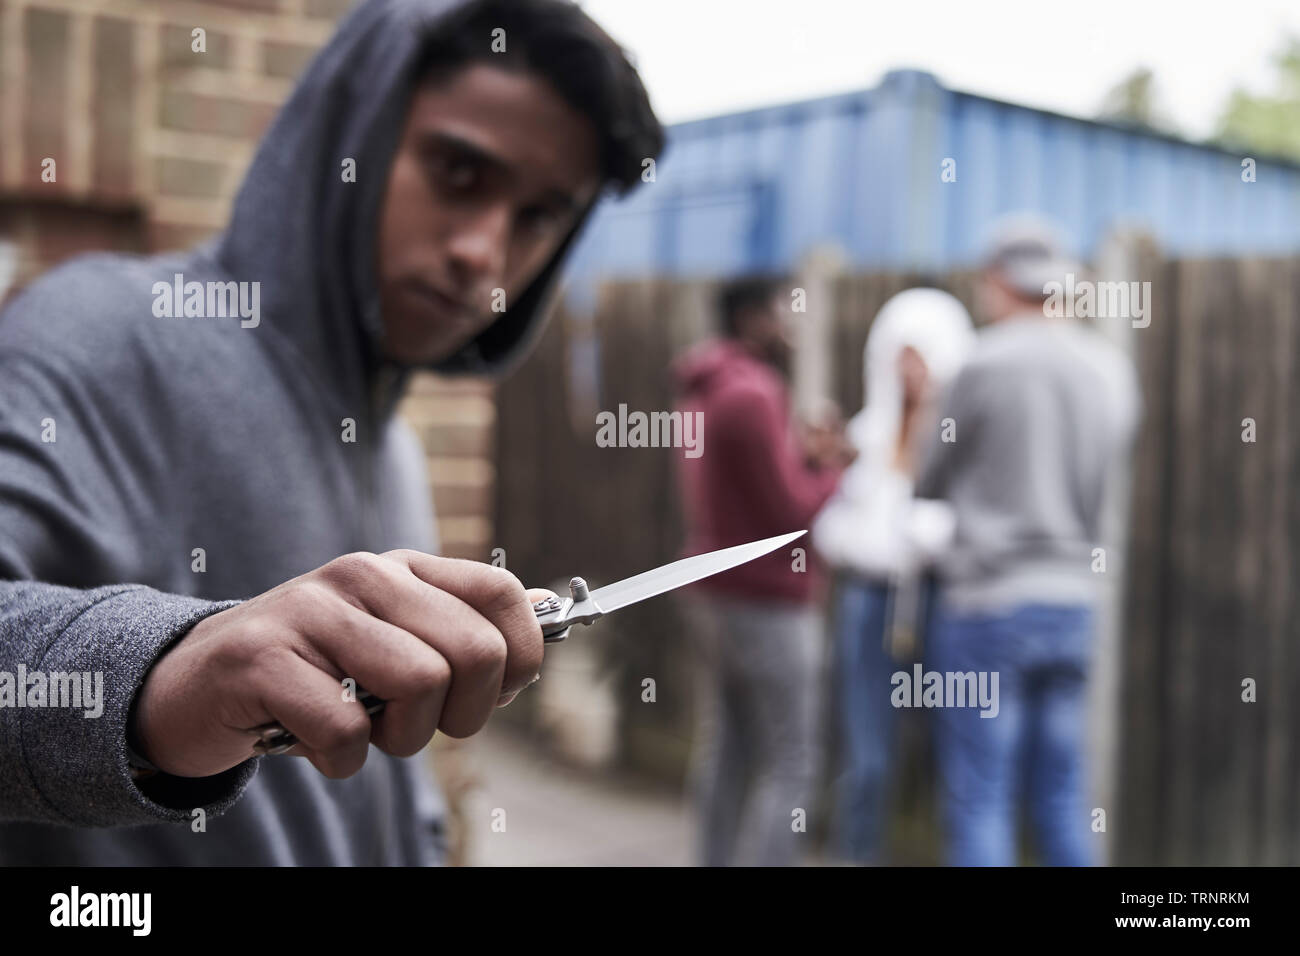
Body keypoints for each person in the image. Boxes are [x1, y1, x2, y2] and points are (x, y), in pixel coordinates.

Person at [0, 0, 662, 865]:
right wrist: (172, 674)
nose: (484, 252)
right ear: (352, 131)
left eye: (539, 215)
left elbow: (374, 790)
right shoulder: (96, 333)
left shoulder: (397, 455)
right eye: (460, 172)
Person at [914, 216, 1140, 866]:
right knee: (1062, 796)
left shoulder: (979, 364)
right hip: (1074, 604)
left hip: (987, 605)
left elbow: (928, 481)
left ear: (998, 280)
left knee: (982, 799)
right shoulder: (1111, 370)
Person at [673, 275, 847, 866]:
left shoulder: (705, 386)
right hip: (768, 598)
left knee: (728, 747)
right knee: (794, 758)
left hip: (714, 595)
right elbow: (792, 511)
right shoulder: (753, 393)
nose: (789, 321)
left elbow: (747, 489)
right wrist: (834, 472)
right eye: (780, 308)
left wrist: (803, 460)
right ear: (749, 318)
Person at [812, 286, 974, 863]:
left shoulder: (962, 438)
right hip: (869, 603)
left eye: (922, 354)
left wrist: (934, 537)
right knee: (867, 755)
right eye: (900, 355)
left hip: (941, 602)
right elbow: (832, 521)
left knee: (956, 753)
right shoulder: (869, 433)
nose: (910, 370)